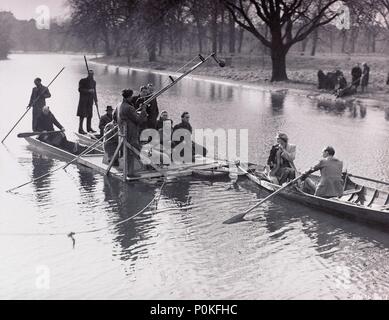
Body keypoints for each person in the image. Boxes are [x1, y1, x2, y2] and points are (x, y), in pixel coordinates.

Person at [116, 89, 147, 178]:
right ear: (129, 97)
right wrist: (144, 110)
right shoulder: (129, 108)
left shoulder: (119, 105)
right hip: (131, 133)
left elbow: (115, 116)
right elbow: (138, 120)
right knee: (134, 151)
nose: (132, 97)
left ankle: (129, 171)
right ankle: (131, 172)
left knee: (128, 152)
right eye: (131, 96)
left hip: (122, 132)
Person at [77, 69, 97, 134]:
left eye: (92, 74)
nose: (91, 75)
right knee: (82, 115)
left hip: (90, 101)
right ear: (88, 74)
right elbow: (80, 89)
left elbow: (94, 92)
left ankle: (89, 128)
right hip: (83, 101)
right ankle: (80, 129)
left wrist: (96, 100)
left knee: (90, 115)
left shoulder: (94, 82)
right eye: (90, 74)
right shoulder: (82, 81)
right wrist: (88, 91)